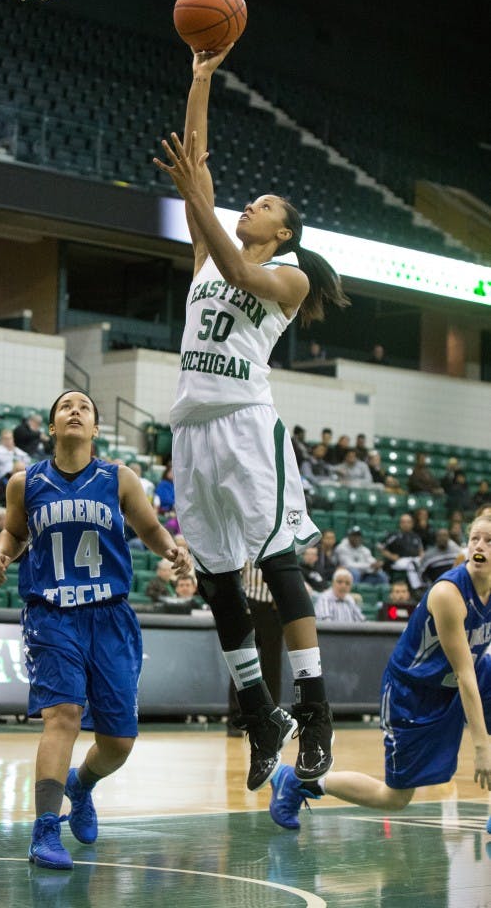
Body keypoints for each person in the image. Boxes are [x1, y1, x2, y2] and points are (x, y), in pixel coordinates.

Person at [153, 44, 349, 792]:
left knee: (277, 564)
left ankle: (316, 708)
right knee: (217, 584)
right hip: (192, 430)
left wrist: (197, 202)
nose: (249, 206)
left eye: (264, 206)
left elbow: (240, 271)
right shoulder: (207, 251)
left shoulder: (287, 277)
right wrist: (202, 74)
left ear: (284, 232)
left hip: (244, 424)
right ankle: (261, 713)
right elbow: (196, 158)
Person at [0, 389, 191, 870]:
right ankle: (44, 829)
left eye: (84, 408)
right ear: (52, 426)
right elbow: (15, 533)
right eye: (65, 407)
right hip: (52, 613)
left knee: (119, 742)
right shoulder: (25, 483)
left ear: (96, 429)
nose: (74, 411)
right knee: (63, 717)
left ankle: (82, 784)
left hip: (110, 615)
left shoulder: (119, 479)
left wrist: (172, 550)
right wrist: (2, 552)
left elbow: (149, 528)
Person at [269, 514, 491, 832]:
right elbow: (464, 672)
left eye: (489, 540)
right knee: (396, 797)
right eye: (475, 539)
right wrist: (482, 748)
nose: (480, 546)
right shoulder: (449, 594)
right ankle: (296, 780)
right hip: (414, 691)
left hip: (458, 679)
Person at [227, 560, 284, 736]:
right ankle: (236, 719)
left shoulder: (281, 538)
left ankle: (270, 720)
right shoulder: (244, 540)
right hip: (249, 603)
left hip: (274, 608)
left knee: (272, 668)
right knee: (242, 663)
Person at [380, 513, 424, 591]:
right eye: (403, 522)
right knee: (411, 564)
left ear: (412, 524)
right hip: (399, 561)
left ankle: (426, 584)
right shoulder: (394, 535)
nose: (406, 524)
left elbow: (421, 550)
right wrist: (391, 556)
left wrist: (422, 558)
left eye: (408, 522)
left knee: (419, 563)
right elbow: (380, 547)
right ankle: (417, 588)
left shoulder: (416, 537)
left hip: (415, 559)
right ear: (400, 524)